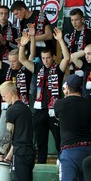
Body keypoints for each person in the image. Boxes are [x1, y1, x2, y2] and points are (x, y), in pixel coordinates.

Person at [19, 27, 70, 163]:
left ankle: (62, 164)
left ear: (53, 57)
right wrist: (22, 46)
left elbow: (67, 58)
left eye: (48, 58)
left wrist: (60, 40)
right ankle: (41, 165)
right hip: (39, 110)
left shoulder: (58, 69)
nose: (46, 61)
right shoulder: (37, 69)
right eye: (43, 58)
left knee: (59, 140)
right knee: (41, 143)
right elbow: (22, 60)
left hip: (55, 111)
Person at [0, 81, 36, 181]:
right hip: (28, 151)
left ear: (11, 93)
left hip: (22, 154)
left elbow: (9, 134)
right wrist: (9, 155)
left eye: (4, 96)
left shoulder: (12, 110)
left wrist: (1, 153)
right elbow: (20, 135)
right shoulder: (25, 108)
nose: (3, 99)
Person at [67, 8, 91, 74]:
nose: (74, 23)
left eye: (76, 20)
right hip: (73, 67)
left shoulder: (89, 35)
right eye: (72, 20)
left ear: (82, 19)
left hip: (86, 68)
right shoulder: (72, 34)